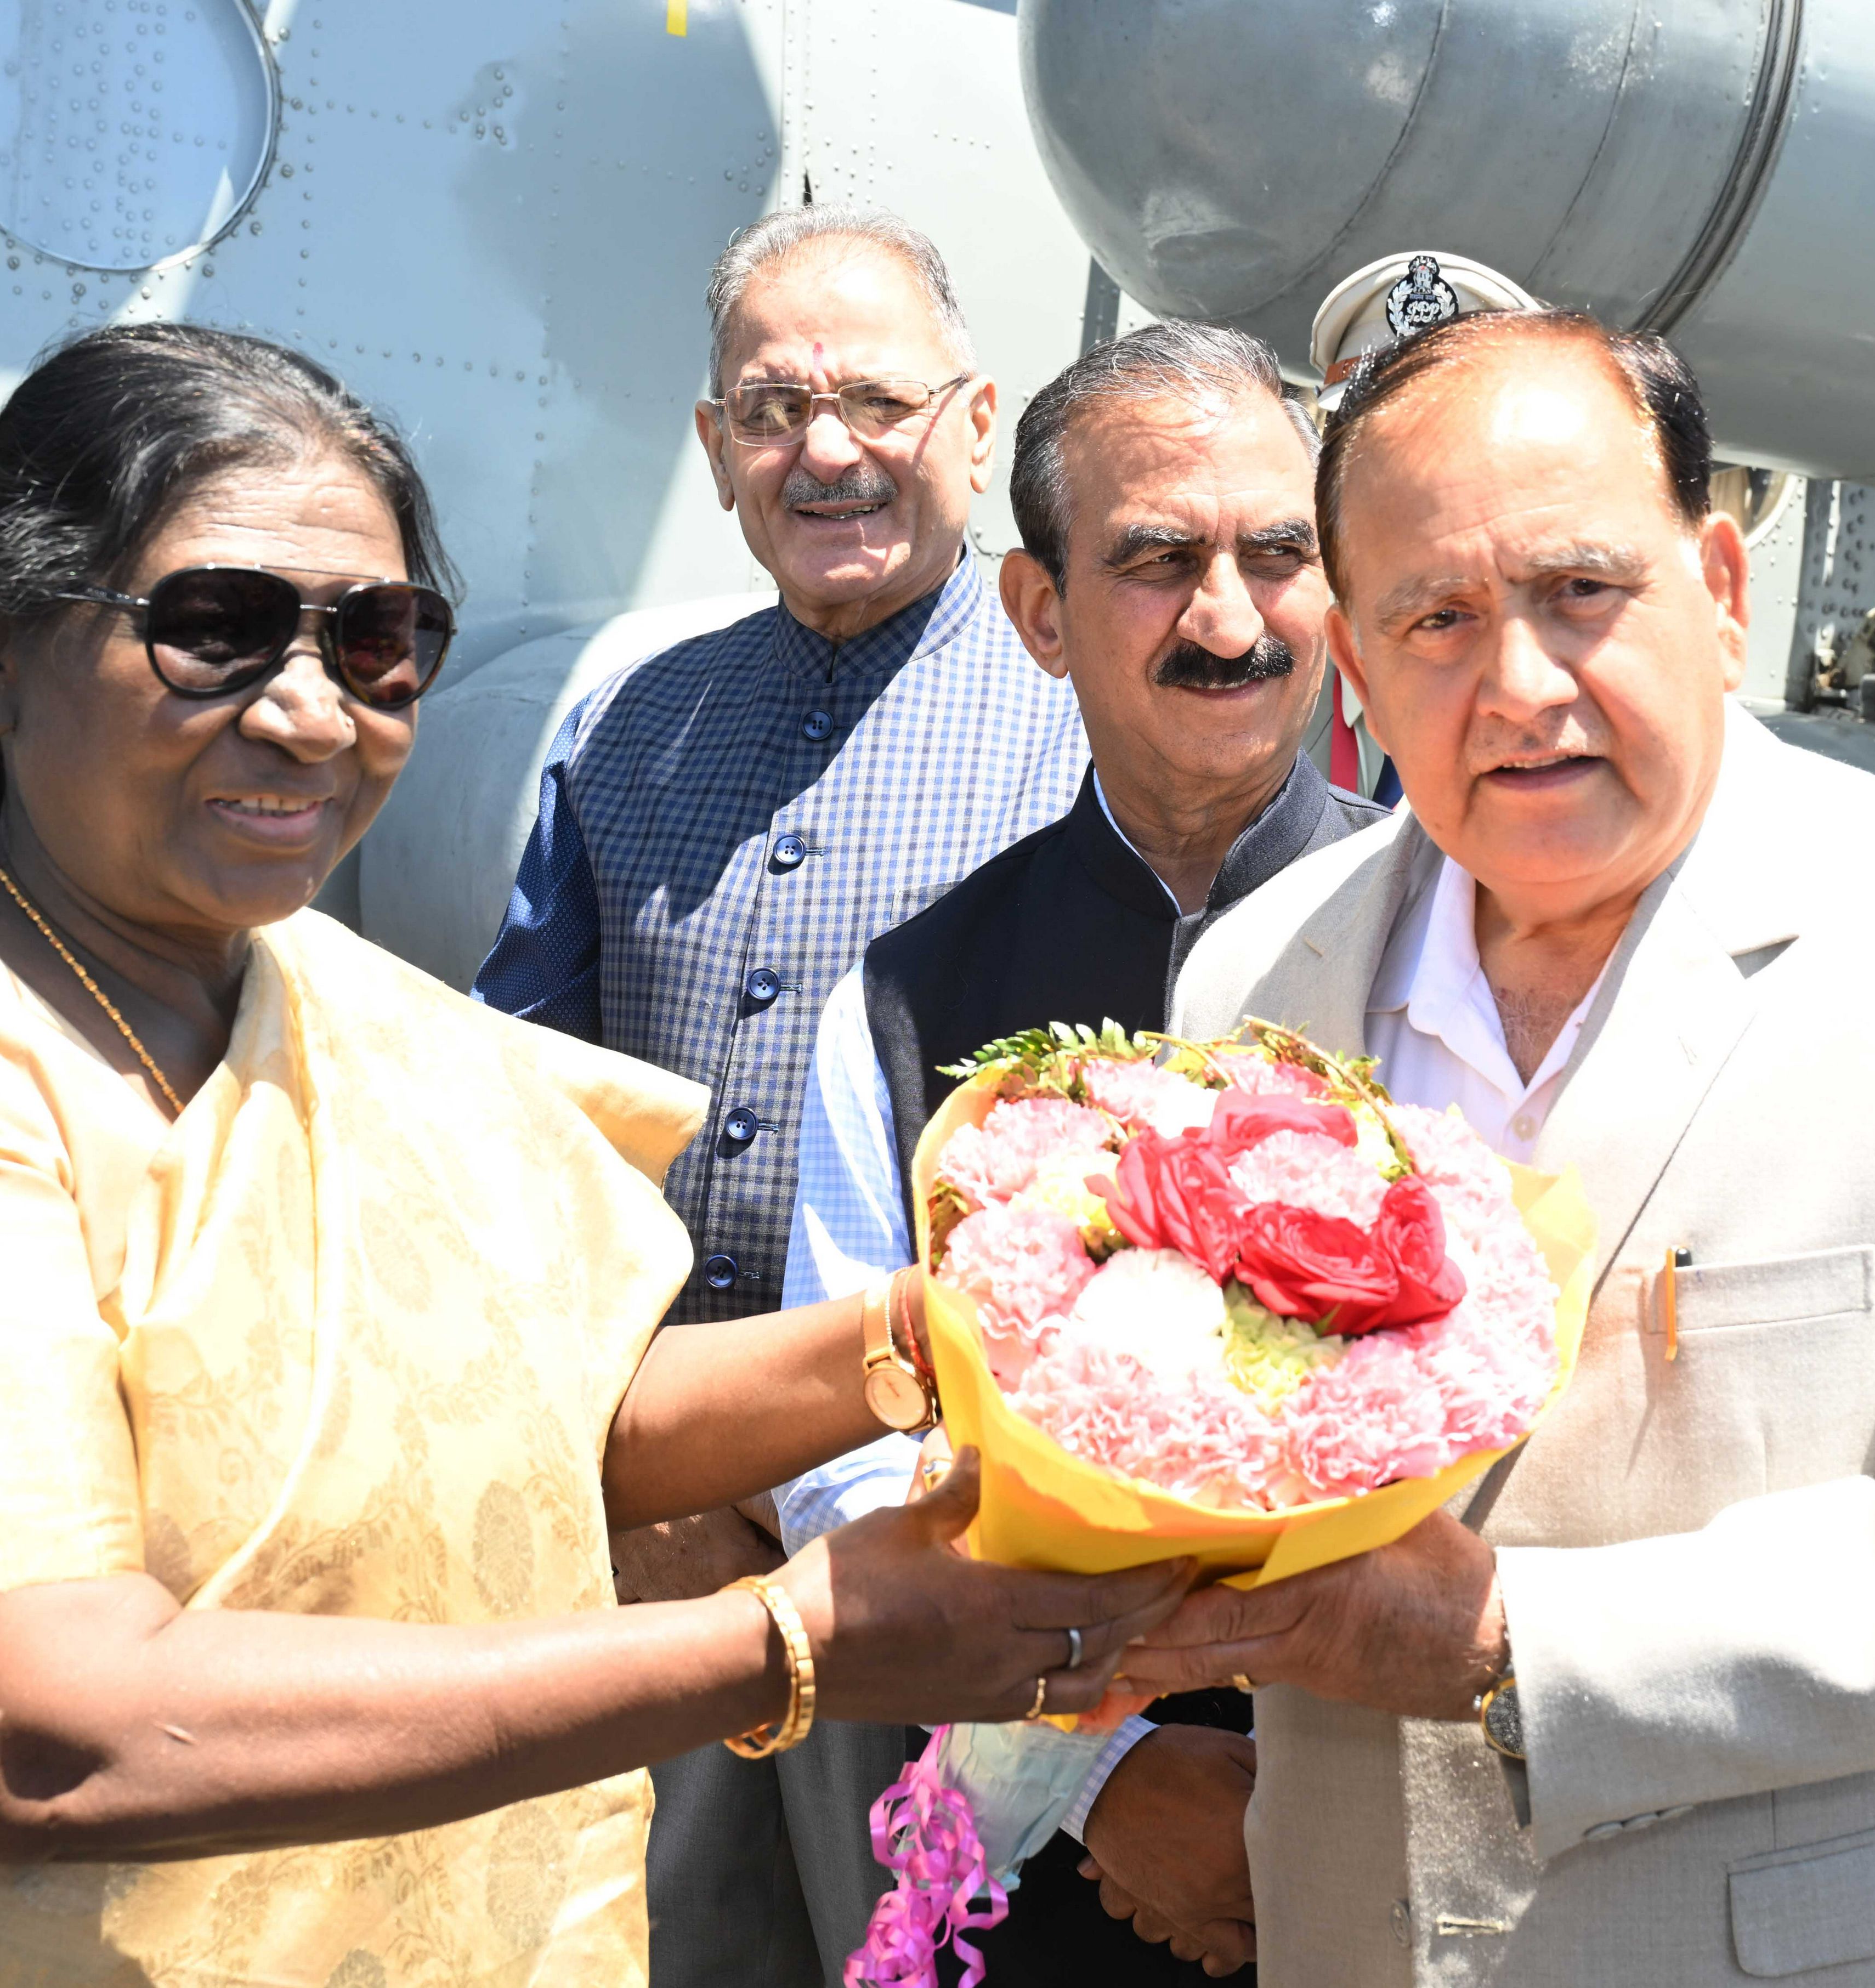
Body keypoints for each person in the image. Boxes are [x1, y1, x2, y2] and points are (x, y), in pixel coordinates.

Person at [0, 324, 1185, 1988]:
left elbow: (563, 1414)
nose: (307, 710)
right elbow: (35, 1729)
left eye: (373, 639)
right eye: (213, 629)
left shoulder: (352, 1009)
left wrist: (950, 1330)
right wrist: (787, 1644)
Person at [1126, 309, 1875, 1985]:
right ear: (1354, 664)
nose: (1518, 686)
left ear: (1717, 590)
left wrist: (1510, 1641)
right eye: (1435, 618)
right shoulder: (1253, 978)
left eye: (1581, 589)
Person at [473, 207, 1089, 1982]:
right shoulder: (625, 723)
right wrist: (630, 1466)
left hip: (956, 1547)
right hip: (661, 1537)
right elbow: (521, 1125)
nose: (826, 450)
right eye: (770, 409)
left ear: (975, 423)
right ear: (713, 446)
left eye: (877, 400)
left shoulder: (1085, 719)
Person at [783, 320, 1387, 1980]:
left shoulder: (1471, 952)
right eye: (1157, 561)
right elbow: (846, 1463)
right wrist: (1101, 1766)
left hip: (1410, 1826)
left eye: (1280, 556)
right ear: (1039, 613)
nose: (1229, 619)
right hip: (1044, 1858)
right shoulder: (909, 1002)